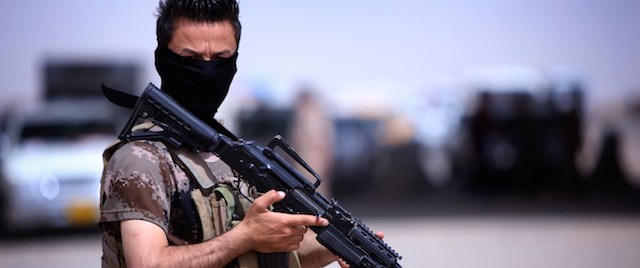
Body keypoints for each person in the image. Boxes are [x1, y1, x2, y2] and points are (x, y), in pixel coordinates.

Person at [98, 0, 382, 267]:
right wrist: (245, 236)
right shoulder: (140, 158)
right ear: (162, 59)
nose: (207, 70)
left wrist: (336, 247)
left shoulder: (225, 151)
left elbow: (257, 258)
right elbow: (147, 263)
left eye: (220, 58)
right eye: (191, 57)